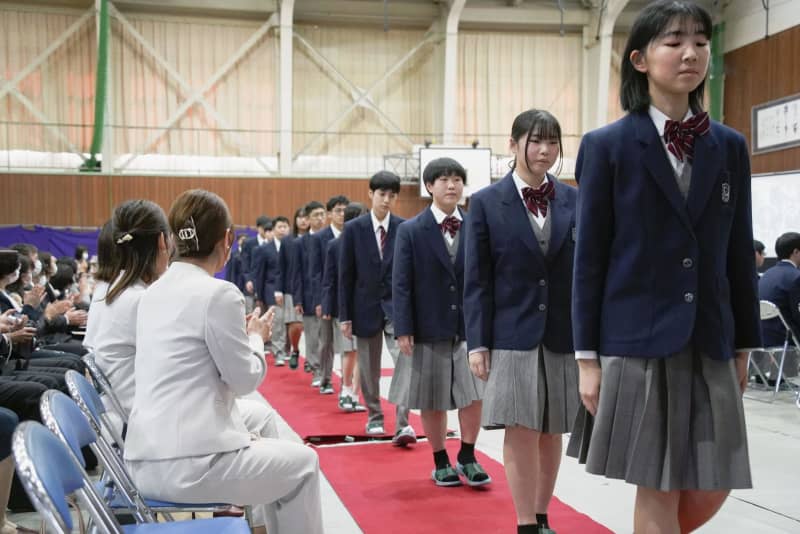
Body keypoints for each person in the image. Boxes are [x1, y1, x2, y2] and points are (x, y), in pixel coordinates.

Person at [566, 2, 761, 533]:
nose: (691, 52)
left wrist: (744, 342)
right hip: (636, 338)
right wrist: (587, 358)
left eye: (700, 40)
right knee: (658, 480)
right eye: (674, 41)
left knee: (717, 476)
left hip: (711, 336)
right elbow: (590, 259)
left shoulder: (730, 147)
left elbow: (737, 252)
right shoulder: (606, 147)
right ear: (640, 59)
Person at [124, 189, 323, 534]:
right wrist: (256, 339)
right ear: (227, 240)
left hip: (145, 454)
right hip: (187, 464)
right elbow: (244, 380)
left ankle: (260, 526)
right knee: (304, 464)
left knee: (265, 427)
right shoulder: (218, 293)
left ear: (173, 240)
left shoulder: (152, 292)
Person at [464, 110, 577, 533]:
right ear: (513, 145)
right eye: (535, 141)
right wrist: (477, 342)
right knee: (521, 427)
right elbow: (476, 278)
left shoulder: (572, 198)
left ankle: (544, 513)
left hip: (563, 335)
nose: (545, 150)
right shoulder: (487, 202)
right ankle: (525, 521)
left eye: (552, 141)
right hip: (511, 334)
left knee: (553, 432)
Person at [393, 158, 488, 487]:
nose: (452, 185)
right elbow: (401, 283)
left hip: (470, 326)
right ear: (429, 186)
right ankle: (439, 459)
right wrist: (403, 328)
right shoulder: (410, 230)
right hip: (428, 327)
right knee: (433, 398)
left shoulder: (477, 225)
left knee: (474, 395)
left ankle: (468, 454)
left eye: (458, 179)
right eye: (444, 179)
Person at [339, 171, 416, 445]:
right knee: (369, 368)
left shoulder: (405, 228)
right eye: (381, 194)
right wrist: (345, 316)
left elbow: (410, 274)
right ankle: (374, 416)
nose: (386, 199)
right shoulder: (354, 229)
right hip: (364, 307)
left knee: (405, 363)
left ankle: (403, 422)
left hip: (397, 309)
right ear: (371, 194)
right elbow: (345, 275)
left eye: (391, 195)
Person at [321, 203, 365, 411]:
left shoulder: (372, 243)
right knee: (349, 350)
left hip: (367, 306)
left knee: (362, 353)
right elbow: (329, 279)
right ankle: (346, 388)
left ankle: (355, 394)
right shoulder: (335, 245)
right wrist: (328, 305)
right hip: (344, 305)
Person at [312, 196, 350, 395]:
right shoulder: (319, 238)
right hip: (327, 296)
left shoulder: (353, 234)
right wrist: (320, 300)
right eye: (338, 210)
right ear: (329, 214)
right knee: (326, 341)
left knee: (347, 344)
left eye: (345, 210)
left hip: (348, 299)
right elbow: (317, 272)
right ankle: (325, 377)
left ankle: (347, 382)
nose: (342, 214)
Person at [754, 232, 800, 382]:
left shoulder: (767, 274)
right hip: (782, 338)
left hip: (760, 336)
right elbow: (797, 314)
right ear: (795, 252)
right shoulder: (795, 277)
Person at [293, 201, 326, 381]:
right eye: (316, 215)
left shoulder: (331, 237)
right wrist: (297, 300)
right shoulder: (300, 243)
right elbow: (296, 272)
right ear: (308, 218)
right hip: (308, 295)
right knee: (313, 336)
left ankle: (325, 369)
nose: (320, 219)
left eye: (322, 214)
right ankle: (316, 369)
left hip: (327, 294)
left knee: (326, 338)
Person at [268, 217, 290, 367]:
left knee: (292, 324)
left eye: (285, 227)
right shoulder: (266, 248)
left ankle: (288, 349)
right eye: (279, 227)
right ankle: (278, 352)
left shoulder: (292, 245)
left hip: (292, 290)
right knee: (278, 324)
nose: (282, 229)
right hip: (274, 290)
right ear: (274, 229)